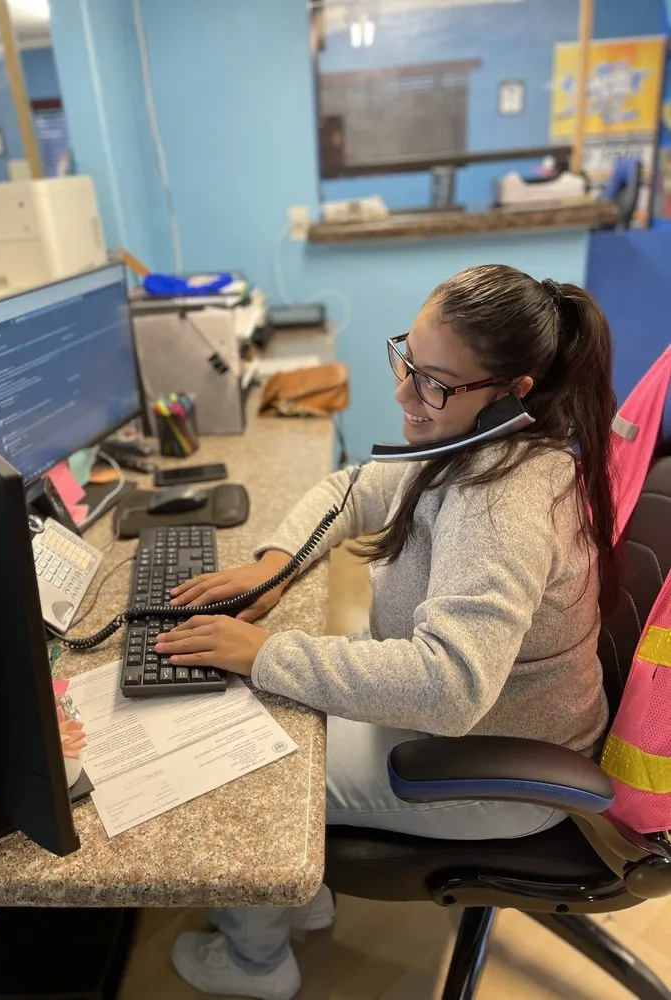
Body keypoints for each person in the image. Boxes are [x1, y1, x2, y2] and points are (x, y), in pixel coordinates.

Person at [155, 264, 617, 1000]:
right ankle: (297, 898)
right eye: (408, 361)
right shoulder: (476, 438)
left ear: (512, 391)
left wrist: (267, 652)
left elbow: (449, 687)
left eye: (433, 383)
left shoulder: (502, 504)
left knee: (246, 778)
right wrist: (275, 564)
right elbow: (353, 487)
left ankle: (255, 963)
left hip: (492, 757)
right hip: (457, 720)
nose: (404, 394)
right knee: (254, 713)